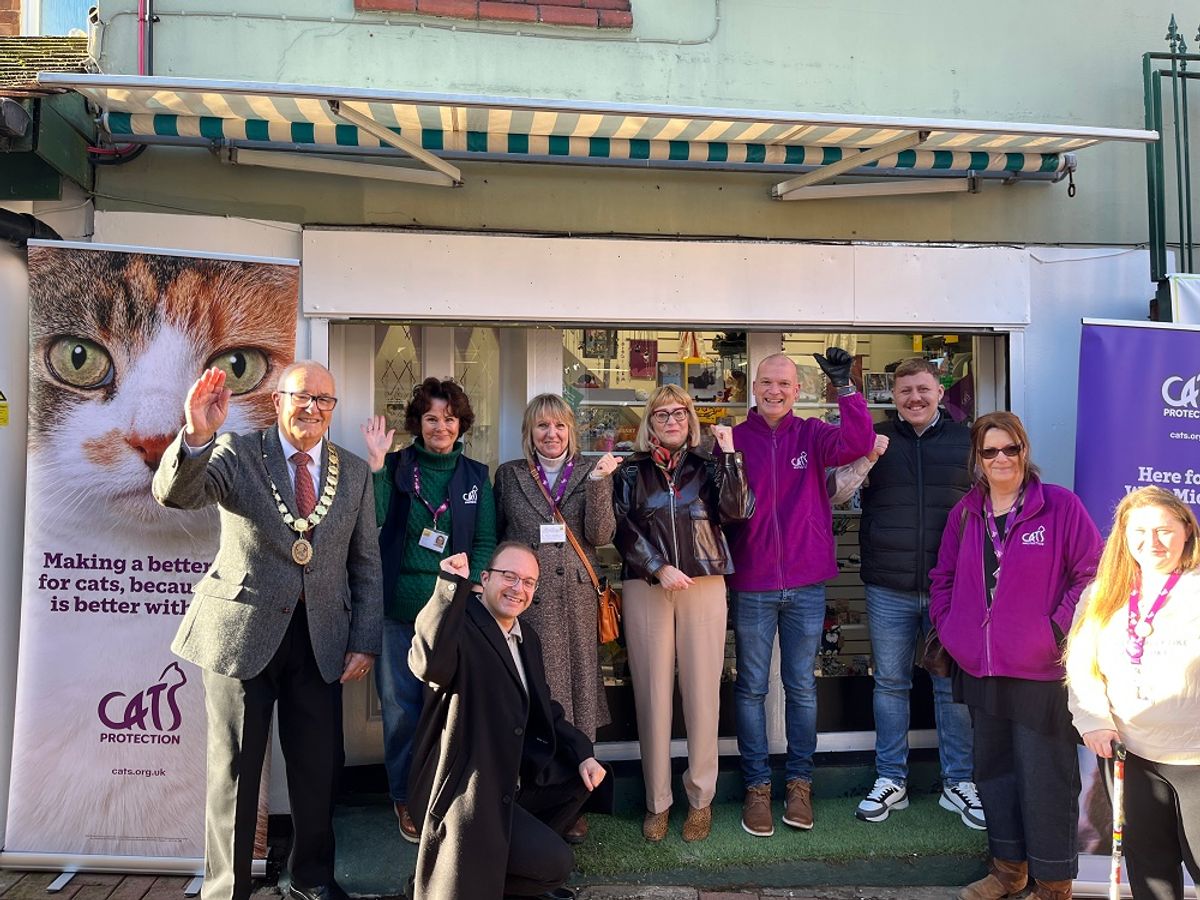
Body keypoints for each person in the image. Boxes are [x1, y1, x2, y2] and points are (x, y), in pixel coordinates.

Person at [153, 362, 383, 900]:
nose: (313, 408)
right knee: (234, 771)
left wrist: (364, 638)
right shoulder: (235, 452)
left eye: (324, 400)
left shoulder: (351, 472)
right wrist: (196, 435)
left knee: (317, 769)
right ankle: (227, 889)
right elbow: (176, 495)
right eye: (302, 397)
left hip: (321, 641)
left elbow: (366, 562)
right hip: (243, 637)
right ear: (278, 401)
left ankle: (313, 879)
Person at [929, 411, 1102, 900]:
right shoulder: (965, 513)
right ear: (977, 460)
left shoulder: (1060, 507)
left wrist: (1052, 632)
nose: (1002, 459)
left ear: (1025, 451)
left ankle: (1053, 882)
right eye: (990, 452)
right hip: (981, 668)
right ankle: (1009, 870)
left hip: (1041, 671)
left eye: (1011, 449)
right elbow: (941, 578)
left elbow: (1091, 575)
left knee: (1046, 778)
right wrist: (953, 628)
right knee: (996, 772)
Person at [725, 349, 874, 837]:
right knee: (751, 688)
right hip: (751, 582)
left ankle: (800, 785)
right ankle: (756, 789)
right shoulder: (733, 439)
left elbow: (860, 441)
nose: (775, 391)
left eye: (785, 385)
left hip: (807, 582)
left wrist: (846, 387)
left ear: (797, 390)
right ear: (754, 386)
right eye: (767, 382)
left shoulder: (812, 434)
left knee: (801, 687)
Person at [408, 546, 612, 900]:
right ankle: (456, 876)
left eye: (529, 582)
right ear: (484, 579)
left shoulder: (526, 638)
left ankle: (489, 873)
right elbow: (429, 664)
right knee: (555, 863)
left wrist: (583, 752)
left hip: (510, 782)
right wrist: (448, 587)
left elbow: (544, 707)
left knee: (581, 779)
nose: (519, 588)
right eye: (510, 577)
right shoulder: (463, 625)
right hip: (466, 790)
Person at [828, 358, 981, 829]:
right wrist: (869, 456)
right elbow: (836, 494)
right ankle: (890, 779)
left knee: (950, 687)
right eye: (905, 392)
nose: (914, 398)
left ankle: (959, 782)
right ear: (892, 397)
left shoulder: (966, 440)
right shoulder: (874, 438)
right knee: (890, 685)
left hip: (948, 589)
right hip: (887, 585)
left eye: (923, 389)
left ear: (940, 391)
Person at [613, 385, 754, 843]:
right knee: (652, 693)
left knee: (701, 692)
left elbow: (737, 511)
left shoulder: (710, 467)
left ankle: (700, 798)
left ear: (690, 420)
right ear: (649, 422)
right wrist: (658, 566)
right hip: (647, 584)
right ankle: (657, 801)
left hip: (704, 583)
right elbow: (621, 527)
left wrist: (730, 455)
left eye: (679, 413)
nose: (671, 420)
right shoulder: (631, 471)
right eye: (661, 414)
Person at [361, 377, 496, 844]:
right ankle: (405, 796)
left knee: (447, 711)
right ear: (418, 423)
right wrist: (377, 465)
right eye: (432, 418)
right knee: (401, 710)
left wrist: (472, 587)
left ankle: (441, 793)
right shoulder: (398, 467)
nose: (440, 427)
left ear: (462, 424)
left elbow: (483, 542)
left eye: (449, 418)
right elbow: (373, 520)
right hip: (398, 611)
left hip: (452, 613)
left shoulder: (476, 478)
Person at [494, 395, 619, 842]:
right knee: (531, 697)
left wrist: (603, 484)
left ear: (571, 432)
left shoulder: (588, 472)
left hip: (576, 606)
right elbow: (499, 533)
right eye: (542, 427)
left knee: (580, 696)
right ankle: (530, 793)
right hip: (524, 603)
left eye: (560, 427)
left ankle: (574, 799)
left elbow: (601, 537)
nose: (552, 435)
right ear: (530, 432)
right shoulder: (509, 475)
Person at [1066, 486, 1200, 900]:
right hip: (1131, 756)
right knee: (1151, 874)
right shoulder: (1103, 593)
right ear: (1124, 537)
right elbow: (1081, 666)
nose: (1152, 542)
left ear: (1187, 532)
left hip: (1195, 758)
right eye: (1140, 531)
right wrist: (1093, 722)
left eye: (1164, 530)